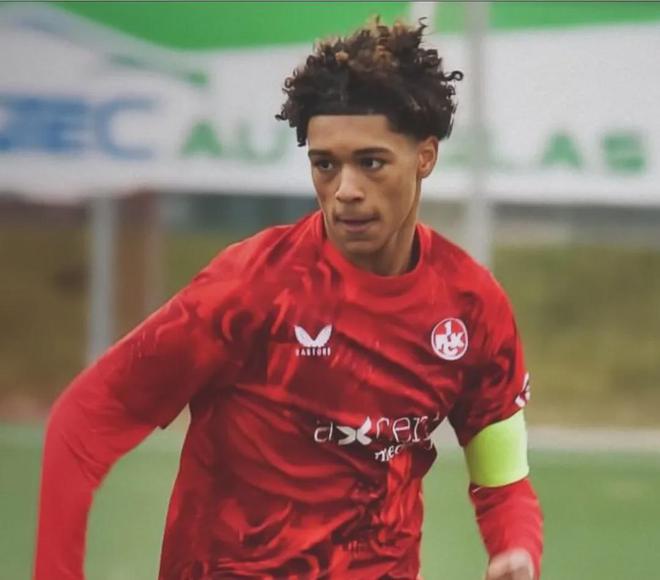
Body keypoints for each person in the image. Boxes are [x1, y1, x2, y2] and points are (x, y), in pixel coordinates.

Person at [35, 18, 543, 580]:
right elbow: (83, 422)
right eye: (325, 165)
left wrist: (515, 549)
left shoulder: (472, 307)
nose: (345, 190)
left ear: (425, 156)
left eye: (370, 162)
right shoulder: (250, 287)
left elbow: (504, 483)